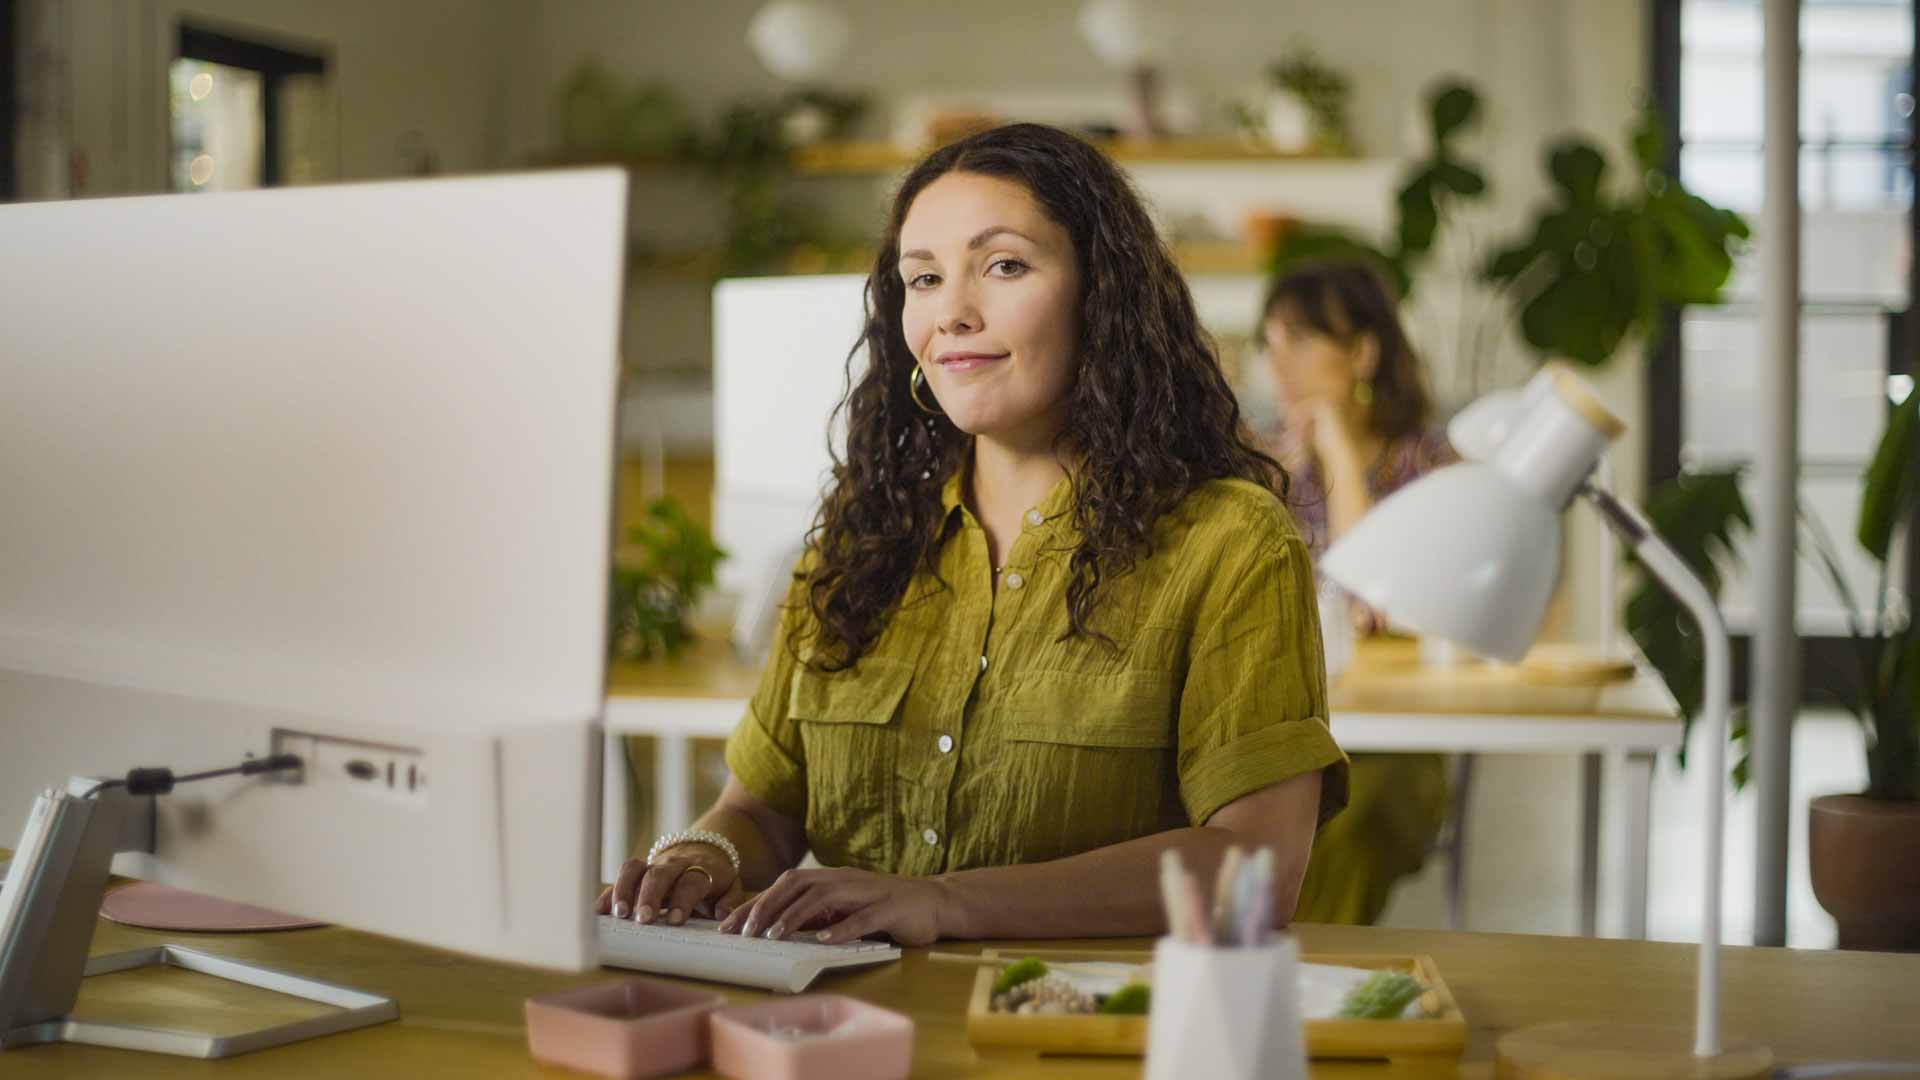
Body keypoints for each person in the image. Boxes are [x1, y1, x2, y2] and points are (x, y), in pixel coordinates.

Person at [598, 123, 1348, 946]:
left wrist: (947, 902)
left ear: (1103, 295)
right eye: (922, 278)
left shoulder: (1230, 543)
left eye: (1004, 266)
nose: (951, 312)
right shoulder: (862, 541)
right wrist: (700, 857)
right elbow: (762, 808)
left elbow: (1256, 868)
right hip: (842, 1035)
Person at [1255, 261, 1457, 925]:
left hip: (1397, 744)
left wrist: (1340, 454)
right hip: (1284, 729)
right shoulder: (1261, 467)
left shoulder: (1429, 466)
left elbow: (1386, 605)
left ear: (1363, 353)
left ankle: (1305, 1001)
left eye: (1303, 342)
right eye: (1271, 344)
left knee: (1346, 827)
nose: (1280, 367)